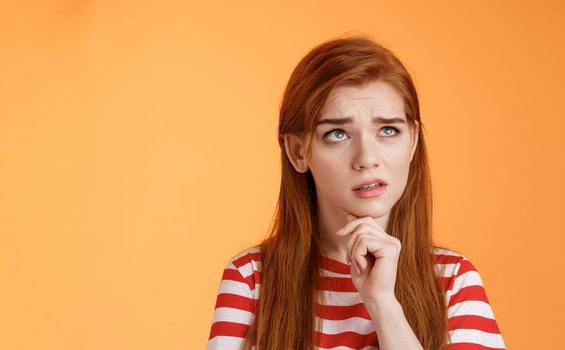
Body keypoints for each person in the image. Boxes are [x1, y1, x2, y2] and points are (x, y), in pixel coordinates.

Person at [207, 34, 506, 350]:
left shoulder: (453, 280)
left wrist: (383, 304)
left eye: (388, 130)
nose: (367, 159)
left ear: (413, 141)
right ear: (298, 152)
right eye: (337, 134)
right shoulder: (251, 279)